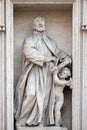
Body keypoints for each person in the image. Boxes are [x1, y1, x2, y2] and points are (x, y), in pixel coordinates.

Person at [14, 16, 71, 127]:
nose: (41, 23)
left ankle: (40, 121)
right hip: (35, 70)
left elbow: (58, 52)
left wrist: (65, 58)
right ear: (33, 26)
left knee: (44, 98)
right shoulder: (29, 40)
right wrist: (45, 58)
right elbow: (28, 52)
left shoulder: (50, 42)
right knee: (31, 93)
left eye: (43, 22)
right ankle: (22, 121)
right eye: (38, 22)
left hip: (48, 73)